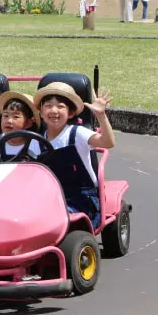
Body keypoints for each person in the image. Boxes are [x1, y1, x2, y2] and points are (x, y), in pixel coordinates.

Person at [32, 82, 116, 228]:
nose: (54, 110)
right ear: (40, 112)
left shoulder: (77, 133)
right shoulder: (35, 140)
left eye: (60, 106)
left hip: (81, 198)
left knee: (57, 217)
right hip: (48, 197)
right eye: (48, 106)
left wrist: (100, 115)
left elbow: (108, 142)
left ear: (70, 113)